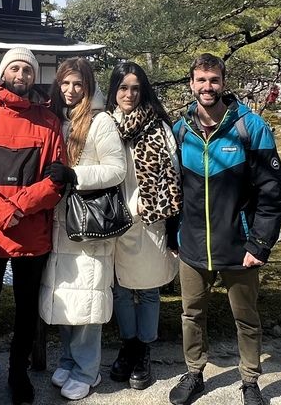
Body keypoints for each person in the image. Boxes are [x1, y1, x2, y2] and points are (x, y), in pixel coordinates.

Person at [168, 53, 281, 405]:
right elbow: (172, 188)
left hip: (239, 245)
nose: (208, 87)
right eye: (201, 80)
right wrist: (172, 234)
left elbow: (273, 193)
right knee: (191, 314)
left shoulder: (250, 127)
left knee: (246, 318)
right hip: (191, 245)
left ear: (224, 82)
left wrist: (260, 244)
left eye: (214, 80)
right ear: (191, 84)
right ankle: (194, 374)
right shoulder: (180, 130)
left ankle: (250, 381)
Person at [0, 47, 67, 405]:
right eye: (15, 68)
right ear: (3, 73)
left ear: (33, 76)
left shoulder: (49, 122)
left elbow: (56, 178)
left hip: (30, 231)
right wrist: (3, 211)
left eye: (27, 69)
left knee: (26, 307)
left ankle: (18, 371)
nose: (21, 75)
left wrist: (18, 207)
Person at [38, 58, 127, 400]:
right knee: (64, 297)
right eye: (65, 84)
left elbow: (116, 169)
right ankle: (68, 359)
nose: (71, 91)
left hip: (89, 221)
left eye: (78, 84)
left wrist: (76, 176)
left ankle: (88, 370)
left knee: (87, 301)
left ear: (88, 86)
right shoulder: (56, 119)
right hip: (60, 220)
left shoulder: (100, 121)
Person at [105, 62, 181, 391]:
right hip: (116, 218)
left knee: (148, 290)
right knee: (121, 288)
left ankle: (144, 350)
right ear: (114, 90)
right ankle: (129, 345)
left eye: (135, 88)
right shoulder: (105, 123)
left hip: (151, 217)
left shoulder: (159, 126)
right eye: (123, 87)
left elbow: (173, 173)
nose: (129, 94)